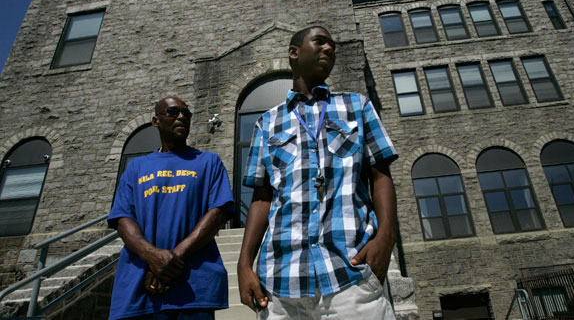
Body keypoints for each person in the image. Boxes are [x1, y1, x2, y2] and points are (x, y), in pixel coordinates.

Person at [238, 26, 398, 319]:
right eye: (320, 42)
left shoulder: (356, 106)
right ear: (294, 52)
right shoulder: (267, 122)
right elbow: (261, 198)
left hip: (350, 274)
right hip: (280, 282)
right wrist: (244, 264)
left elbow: (381, 175)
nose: (329, 49)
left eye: (333, 46)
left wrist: (386, 237)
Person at [108, 96, 234, 320]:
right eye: (174, 112)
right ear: (156, 121)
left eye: (186, 114)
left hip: (193, 289)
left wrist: (170, 261)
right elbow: (122, 218)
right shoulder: (136, 167)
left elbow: (219, 212)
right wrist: (153, 256)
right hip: (139, 290)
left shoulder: (209, 161)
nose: (182, 117)